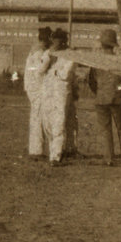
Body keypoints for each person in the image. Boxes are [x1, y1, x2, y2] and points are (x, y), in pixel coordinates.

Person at [87, 28, 121, 166]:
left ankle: (108, 159)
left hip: (101, 98)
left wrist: (99, 91)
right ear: (113, 45)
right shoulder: (119, 62)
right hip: (116, 98)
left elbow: (91, 81)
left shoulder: (97, 62)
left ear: (102, 45)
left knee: (105, 130)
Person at [41, 27, 77, 167]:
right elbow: (40, 70)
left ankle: (56, 155)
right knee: (47, 121)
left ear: (63, 41)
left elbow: (66, 74)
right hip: (47, 90)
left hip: (61, 92)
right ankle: (53, 151)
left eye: (58, 40)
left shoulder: (70, 54)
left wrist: (54, 72)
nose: (55, 43)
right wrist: (49, 57)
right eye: (53, 40)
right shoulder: (48, 53)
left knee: (59, 122)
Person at [24, 26, 52, 160]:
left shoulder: (34, 51)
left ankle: (36, 149)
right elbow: (39, 72)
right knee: (38, 119)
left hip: (32, 88)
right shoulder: (40, 53)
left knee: (36, 118)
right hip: (37, 89)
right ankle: (36, 151)